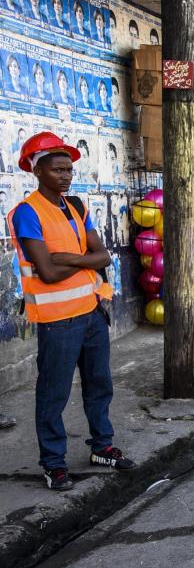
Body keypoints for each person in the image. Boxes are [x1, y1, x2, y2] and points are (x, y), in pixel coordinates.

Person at [7, 132, 134, 491]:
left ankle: (102, 447)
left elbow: (103, 256)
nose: (66, 175)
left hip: (92, 313)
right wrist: (85, 262)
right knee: (53, 394)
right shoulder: (27, 213)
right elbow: (46, 272)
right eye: (58, 169)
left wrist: (71, 259)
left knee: (99, 385)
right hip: (57, 321)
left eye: (69, 169)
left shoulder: (76, 205)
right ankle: (53, 463)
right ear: (37, 170)